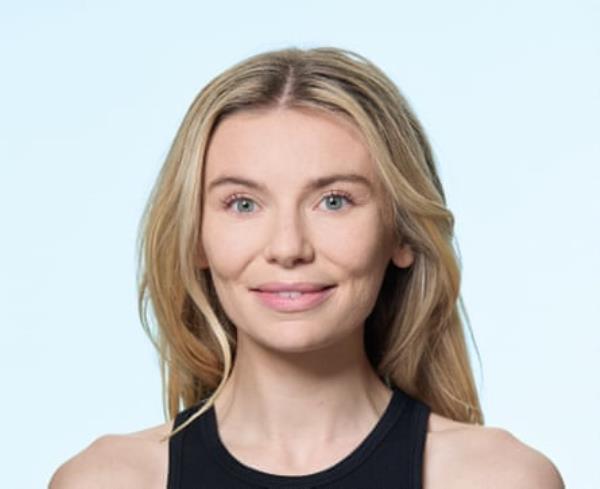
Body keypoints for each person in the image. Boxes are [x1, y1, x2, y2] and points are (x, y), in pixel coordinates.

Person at [49, 46, 564, 489]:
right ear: (196, 240)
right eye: (244, 204)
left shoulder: (495, 478)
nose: (288, 247)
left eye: (334, 201)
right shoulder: (109, 480)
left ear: (401, 232)